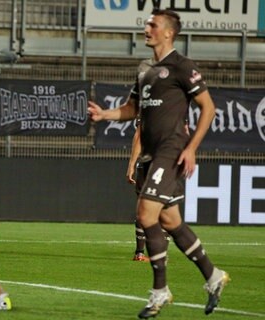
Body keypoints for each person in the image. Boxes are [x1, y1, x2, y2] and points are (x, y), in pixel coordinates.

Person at [88, 9, 229, 319]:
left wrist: (191, 148)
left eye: (153, 24)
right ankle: (214, 275)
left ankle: (160, 291)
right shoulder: (145, 69)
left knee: (144, 214)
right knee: (170, 222)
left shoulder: (182, 66)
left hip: (172, 151)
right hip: (152, 155)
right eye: (147, 23)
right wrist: (104, 115)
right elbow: (131, 109)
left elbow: (209, 108)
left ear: (168, 33)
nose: (147, 28)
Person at [127, 121, 170, 262]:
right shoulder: (177, 107)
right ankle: (161, 254)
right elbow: (185, 133)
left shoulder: (146, 106)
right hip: (164, 165)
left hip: (145, 165)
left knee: (143, 209)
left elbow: (139, 135)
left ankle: (139, 253)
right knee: (165, 209)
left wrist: (131, 164)